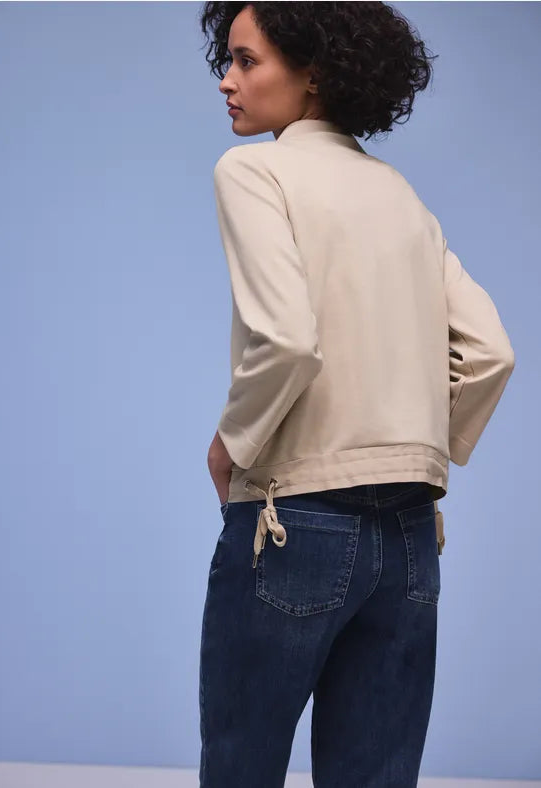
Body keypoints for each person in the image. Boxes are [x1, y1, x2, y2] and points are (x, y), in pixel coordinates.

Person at [197, 3, 515, 786]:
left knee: (242, 765)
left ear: (313, 73)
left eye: (246, 61)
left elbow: (285, 341)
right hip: (409, 533)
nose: (226, 80)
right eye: (227, 60)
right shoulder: (397, 193)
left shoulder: (252, 171)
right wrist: (412, 438)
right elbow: (489, 354)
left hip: (292, 520)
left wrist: (230, 445)